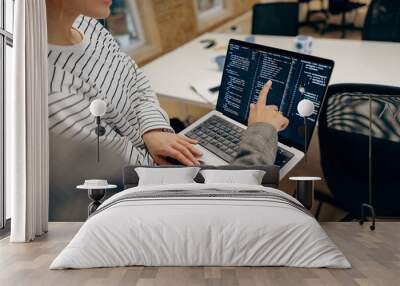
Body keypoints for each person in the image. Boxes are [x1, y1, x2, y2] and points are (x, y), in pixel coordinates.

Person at [46, 0, 288, 167]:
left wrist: (153, 130)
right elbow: (140, 178)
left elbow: (137, 82)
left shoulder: (87, 25)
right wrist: (261, 133)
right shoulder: (54, 93)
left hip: (163, 150)